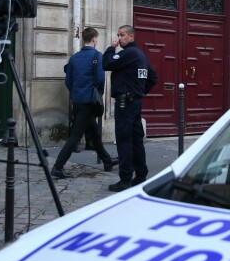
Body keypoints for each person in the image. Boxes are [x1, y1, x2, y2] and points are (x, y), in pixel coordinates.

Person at [51, 27, 118, 178]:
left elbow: (68, 81)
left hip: (78, 101)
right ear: (94, 39)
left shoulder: (74, 58)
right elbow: (101, 80)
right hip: (90, 102)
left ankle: (107, 161)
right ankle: (58, 166)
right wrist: (98, 94)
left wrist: (76, 94)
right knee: (75, 137)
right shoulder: (97, 56)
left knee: (94, 133)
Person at [103, 24, 158, 192]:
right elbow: (152, 78)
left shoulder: (128, 54)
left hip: (125, 103)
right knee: (136, 139)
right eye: (118, 35)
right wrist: (140, 92)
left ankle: (125, 178)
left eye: (122, 35)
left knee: (124, 140)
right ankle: (141, 175)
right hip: (134, 102)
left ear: (131, 37)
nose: (119, 38)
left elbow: (106, 64)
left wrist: (111, 49)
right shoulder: (140, 54)